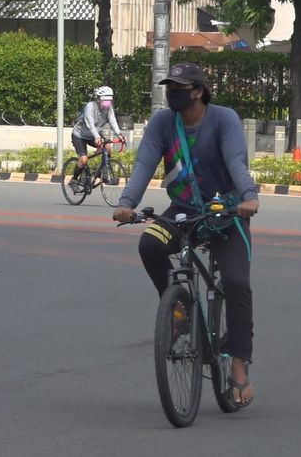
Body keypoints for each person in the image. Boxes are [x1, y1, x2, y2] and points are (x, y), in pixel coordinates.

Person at [112, 62, 259, 407]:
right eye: (169, 87)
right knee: (150, 242)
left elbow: (236, 161)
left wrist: (249, 197)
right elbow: (144, 164)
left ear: (198, 91)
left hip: (227, 211)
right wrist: (127, 202)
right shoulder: (164, 123)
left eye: (179, 88)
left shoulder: (223, 119)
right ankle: (179, 311)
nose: (171, 93)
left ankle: (238, 367)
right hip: (184, 210)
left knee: (236, 282)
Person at [68, 86, 125, 192]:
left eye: (109, 100)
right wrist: (97, 137)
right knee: (83, 160)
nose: (107, 102)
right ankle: (74, 180)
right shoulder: (90, 106)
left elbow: (113, 121)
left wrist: (119, 134)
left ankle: (101, 173)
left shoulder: (108, 108)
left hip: (95, 134)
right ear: (98, 99)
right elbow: (90, 124)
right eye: (105, 99)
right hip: (80, 135)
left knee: (108, 148)